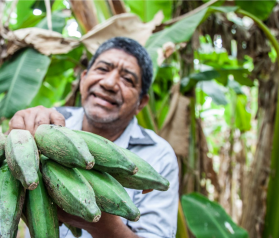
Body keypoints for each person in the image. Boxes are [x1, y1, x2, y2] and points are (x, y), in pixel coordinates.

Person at [9, 37, 179, 238]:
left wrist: (104, 226)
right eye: (102, 69)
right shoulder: (48, 123)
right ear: (83, 78)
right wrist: (16, 140)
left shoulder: (158, 155)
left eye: (127, 80)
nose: (109, 83)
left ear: (141, 102)